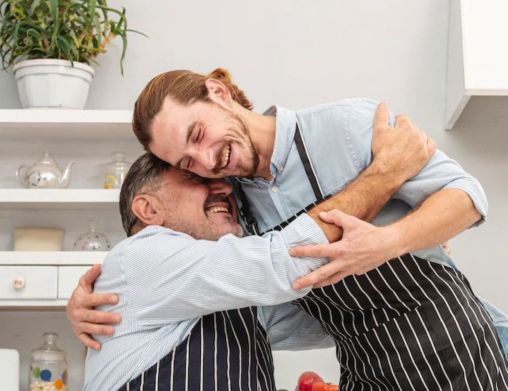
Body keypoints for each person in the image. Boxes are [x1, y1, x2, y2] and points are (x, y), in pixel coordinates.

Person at [73, 69, 508, 390]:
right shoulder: (233, 207)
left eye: (198, 134)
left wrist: (387, 242)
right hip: (364, 366)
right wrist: (86, 303)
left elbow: (467, 197)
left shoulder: (342, 126)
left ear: (218, 92)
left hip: (448, 344)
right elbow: (270, 284)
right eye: (188, 164)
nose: (209, 161)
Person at [84, 120, 423, 390]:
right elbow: (284, 263)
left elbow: (338, 316)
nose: (225, 187)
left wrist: (402, 235)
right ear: (148, 208)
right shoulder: (141, 256)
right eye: (195, 177)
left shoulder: (226, 293)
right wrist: (388, 174)